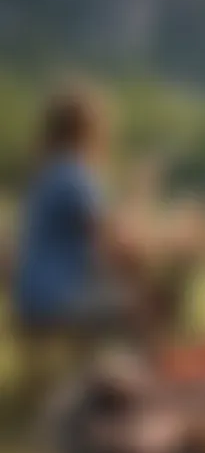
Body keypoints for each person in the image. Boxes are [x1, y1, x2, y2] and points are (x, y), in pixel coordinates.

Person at [13, 83, 147, 345]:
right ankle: (131, 381)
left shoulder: (50, 171)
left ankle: (104, 371)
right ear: (91, 131)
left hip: (31, 295)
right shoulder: (74, 176)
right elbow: (116, 242)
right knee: (144, 306)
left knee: (131, 293)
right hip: (57, 299)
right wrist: (139, 191)